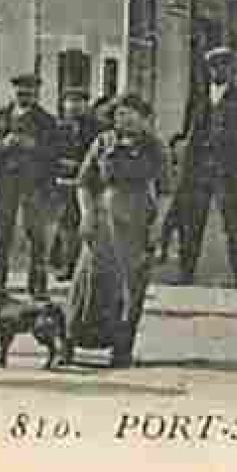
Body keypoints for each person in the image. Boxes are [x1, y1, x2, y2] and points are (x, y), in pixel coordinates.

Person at [67, 93, 166, 369]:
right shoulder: (102, 142)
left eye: (133, 113)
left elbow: (165, 190)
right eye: (121, 113)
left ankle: (121, 349)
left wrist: (157, 226)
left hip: (137, 221)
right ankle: (70, 342)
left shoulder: (155, 147)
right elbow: (84, 183)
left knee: (130, 286)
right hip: (102, 219)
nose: (126, 119)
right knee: (88, 281)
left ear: (145, 118)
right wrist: (86, 215)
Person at [170, 47, 237, 287]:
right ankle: (186, 272)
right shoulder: (198, 97)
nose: (220, 71)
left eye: (225, 66)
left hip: (227, 171)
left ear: (231, 70)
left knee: (232, 224)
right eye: (215, 67)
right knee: (192, 222)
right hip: (199, 169)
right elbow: (189, 129)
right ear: (209, 70)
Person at [0, 74, 59, 305]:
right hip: (1, 186)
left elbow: (55, 155)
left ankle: (38, 288)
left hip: (34, 186)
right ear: (13, 91)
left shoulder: (47, 122)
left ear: (37, 94)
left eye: (30, 91)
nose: (25, 95)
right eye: (20, 91)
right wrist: (2, 145)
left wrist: (35, 147)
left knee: (37, 238)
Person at [49, 89, 99, 283]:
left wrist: (81, 166)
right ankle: (68, 265)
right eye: (70, 101)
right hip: (63, 183)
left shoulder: (97, 129)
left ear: (87, 104)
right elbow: (48, 153)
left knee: (88, 225)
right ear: (63, 105)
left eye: (79, 101)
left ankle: (86, 267)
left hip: (89, 185)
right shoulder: (58, 128)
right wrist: (59, 165)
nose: (74, 106)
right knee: (66, 226)